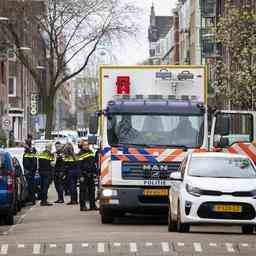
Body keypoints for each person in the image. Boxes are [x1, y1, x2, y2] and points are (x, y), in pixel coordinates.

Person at [77, 139, 96, 211]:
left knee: (92, 191)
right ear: (82, 146)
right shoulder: (80, 153)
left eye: (87, 145)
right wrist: (80, 176)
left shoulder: (91, 152)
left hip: (90, 174)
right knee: (83, 191)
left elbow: (93, 164)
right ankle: (82, 206)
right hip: (83, 175)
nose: (86, 146)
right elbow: (78, 166)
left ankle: (92, 205)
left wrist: (95, 173)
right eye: (85, 145)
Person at [23, 139, 37, 205]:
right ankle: (31, 199)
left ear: (27, 144)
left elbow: (33, 162)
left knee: (31, 186)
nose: (24, 145)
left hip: (29, 172)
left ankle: (32, 200)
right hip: (29, 171)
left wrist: (30, 171)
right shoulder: (28, 151)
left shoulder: (30, 151)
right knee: (30, 186)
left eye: (25, 144)